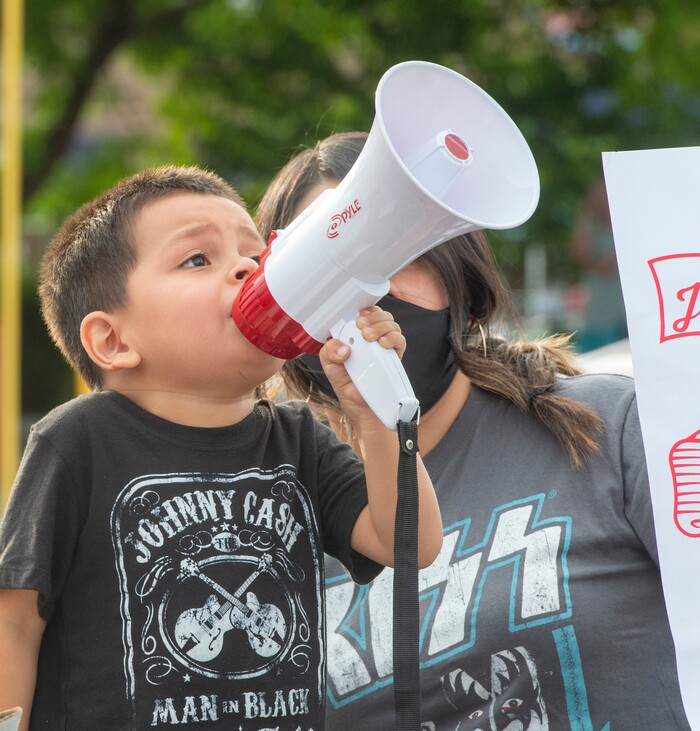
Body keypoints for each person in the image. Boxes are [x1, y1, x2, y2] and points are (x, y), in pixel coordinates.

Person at [254, 132, 691, 730]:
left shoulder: (609, 428)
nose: (370, 292)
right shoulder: (266, 528)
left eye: (393, 253)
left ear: (456, 270)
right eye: (330, 268)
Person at [0, 165, 442, 730]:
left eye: (256, 260)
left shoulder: (298, 438)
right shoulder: (78, 440)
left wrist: (375, 418)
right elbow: (16, 620)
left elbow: (411, 543)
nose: (246, 269)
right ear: (113, 341)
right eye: (196, 260)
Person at [570, 179, 628, 352]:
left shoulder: (626, 228)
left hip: (624, 319)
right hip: (597, 319)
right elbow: (579, 254)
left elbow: (606, 265)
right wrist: (585, 213)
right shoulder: (591, 229)